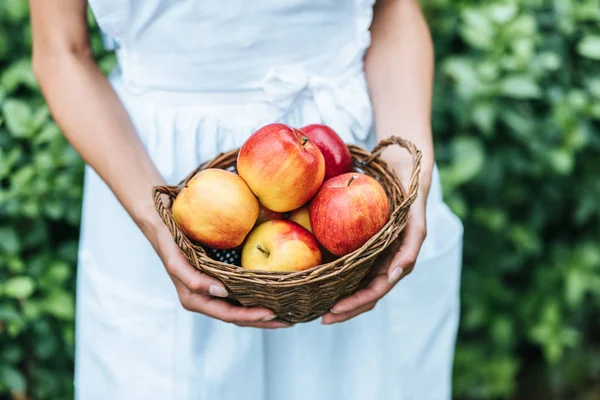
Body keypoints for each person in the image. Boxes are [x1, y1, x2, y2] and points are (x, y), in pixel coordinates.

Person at [30, 0, 463, 399]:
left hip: (354, 169)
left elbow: (394, 8)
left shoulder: (375, 185)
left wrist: (407, 171)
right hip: (159, 178)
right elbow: (62, 52)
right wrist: (155, 215)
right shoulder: (169, 205)